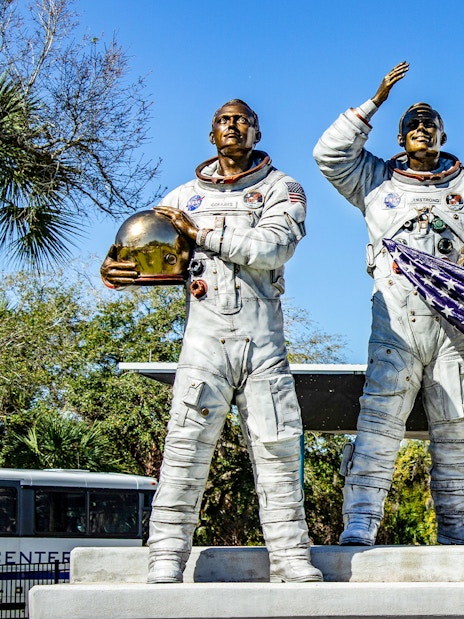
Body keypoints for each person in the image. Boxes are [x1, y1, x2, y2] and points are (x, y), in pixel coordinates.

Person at [101, 99, 323, 583]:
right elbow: (150, 252)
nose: (233, 126)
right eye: (223, 120)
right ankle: (165, 556)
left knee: (278, 448)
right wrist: (117, 269)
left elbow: (273, 248)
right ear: (211, 134)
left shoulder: (281, 188)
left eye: (242, 120)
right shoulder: (182, 197)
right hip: (204, 341)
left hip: (262, 342)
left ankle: (290, 556)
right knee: (184, 447)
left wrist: (201, 232)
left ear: (257, 132)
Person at [313, 62, 464, 546]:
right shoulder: (375, 180)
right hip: (395, 322)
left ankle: (457, 528)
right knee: (378, 422)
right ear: (399, 139)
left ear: (444, 134)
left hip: (452, 327)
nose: (422, 129)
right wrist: (374, 101)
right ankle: (360, 521)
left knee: (457, 426)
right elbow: (329, 154)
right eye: (412, 125)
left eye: (430, 123)